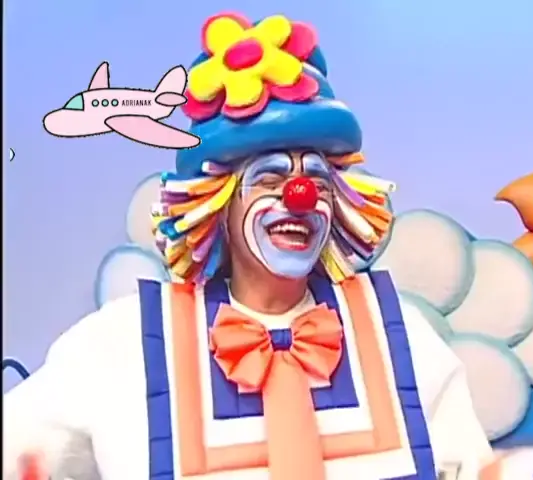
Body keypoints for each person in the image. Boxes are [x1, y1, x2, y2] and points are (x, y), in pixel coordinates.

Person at [3, 12, 494, 480]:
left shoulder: (400, 337)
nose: (299, 197)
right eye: (270, 179)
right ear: (217, 202)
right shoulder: (119, 344)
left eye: (318, 182)